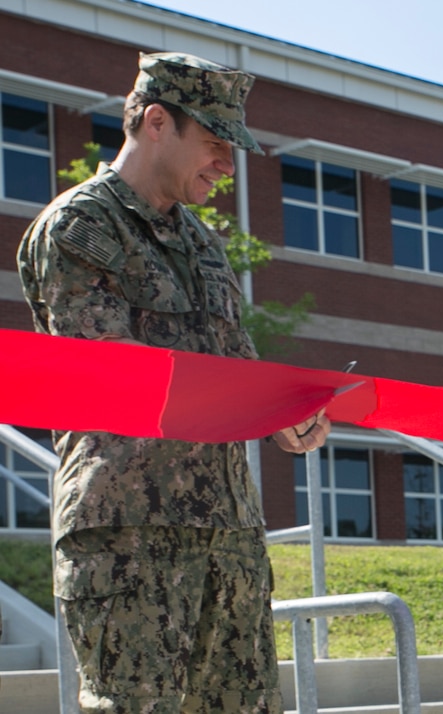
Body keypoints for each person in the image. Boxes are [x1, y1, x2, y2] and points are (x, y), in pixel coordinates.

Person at [18, 51, 330, 713]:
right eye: (215, 144)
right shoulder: (79, 230)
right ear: (156, 122)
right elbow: (120, 377)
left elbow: (235, 360)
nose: (227, 164)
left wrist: (286, 416)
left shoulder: (206, 243)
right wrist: (246, 399)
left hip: (230, 538)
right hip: (130, 535)